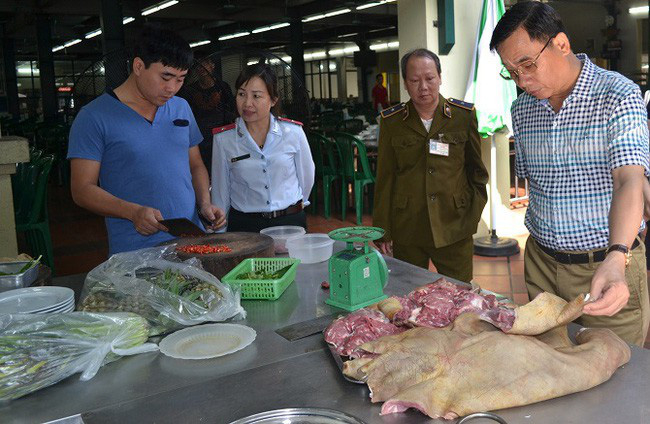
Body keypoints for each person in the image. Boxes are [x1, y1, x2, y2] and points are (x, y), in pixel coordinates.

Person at [490, 1, 650, 346]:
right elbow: (538, 186)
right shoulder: (523, 110)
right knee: (548, 369)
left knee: (614, 378)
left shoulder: (618, 96)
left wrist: (617, 255)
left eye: (527, 64)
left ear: (561, 44)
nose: (522, 80)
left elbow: (629, 179)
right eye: (511, 72)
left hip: (606, 268)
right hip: (541, 268)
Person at [68, 25, 226, 255]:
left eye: (181, 79)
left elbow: (195, 165)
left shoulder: (181, 108)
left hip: (189, 243)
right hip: (135, 251)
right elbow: (82, 189)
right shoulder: (94, 117)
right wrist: (132, 212)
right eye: (166, 77)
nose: (172, 88)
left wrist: (205, 204)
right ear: (139, 66)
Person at [372, 49, 488, 283]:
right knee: (409, 295)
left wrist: (471, 216)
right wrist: (383, 229)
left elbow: (477, 172)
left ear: (440, 77)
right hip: (408, 227)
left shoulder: (462, 116)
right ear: (405, 83)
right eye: (414, 80)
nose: (423, 87)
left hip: (454, 225)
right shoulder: (392, 121)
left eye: (429, 78)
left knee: (458, 295)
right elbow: (385, 178)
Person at [211, 63, 315, 233]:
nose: (247, 103)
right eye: (241, 94)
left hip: (289, 222)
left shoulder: (293, 133)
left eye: (256, 96)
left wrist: (291, 203)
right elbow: (220, 190)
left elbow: (307, 178)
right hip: (245, 226)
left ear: (273, 100)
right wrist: (219, 232)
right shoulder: (224, 140)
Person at [179, 57, 235, 176]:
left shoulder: (223, 87)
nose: (202, 68)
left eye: (205, 64)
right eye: (199, 66)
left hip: (221, 135)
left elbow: (231, 110)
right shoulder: (189, 91)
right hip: (200, 138)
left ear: (212, 66)